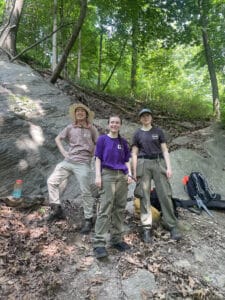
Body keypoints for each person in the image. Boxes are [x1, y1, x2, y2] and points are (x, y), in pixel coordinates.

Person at [46, 103, 99, 234]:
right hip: (68, 161)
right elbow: (58, 138)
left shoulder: (92, 129)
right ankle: (57, 209)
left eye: (82, 111)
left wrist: (93, 156)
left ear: (86, 115)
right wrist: (64, 152)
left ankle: (88, 219)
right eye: (77, 112)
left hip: (83, 163)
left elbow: (98, 144)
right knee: (51, 181)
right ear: (75, 115)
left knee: (85, 191)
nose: (80, 113)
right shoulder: (70, 127)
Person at [131, 108, 182, 243]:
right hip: (143, 163)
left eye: (148, 115)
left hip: (159, 163)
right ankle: (146, 228)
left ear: (151, 117)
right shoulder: (137, 133)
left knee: (165, 194)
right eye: (143, 116)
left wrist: (169, 167)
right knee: (144, 195)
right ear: (140, 119)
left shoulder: (158, 131)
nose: (146, 118)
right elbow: (134, 153)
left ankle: (172, 225)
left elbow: (165, 150)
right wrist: (134, 171)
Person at [93, 115, 133, 259]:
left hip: (122, 176)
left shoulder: (123, 142)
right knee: (105, 207)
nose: (114, 125)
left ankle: (116, 240)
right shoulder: (103, 139)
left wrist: (130, 174)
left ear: (120, 125)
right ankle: (99, 244)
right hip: (108, 175)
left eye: (117, 122)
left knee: (120, 207)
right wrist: (98, 176)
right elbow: (98, 158)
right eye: (112, 122)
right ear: (108, 124)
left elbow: (127, 160)